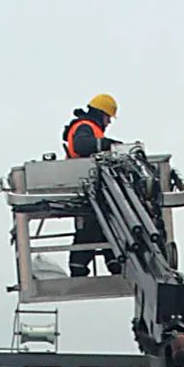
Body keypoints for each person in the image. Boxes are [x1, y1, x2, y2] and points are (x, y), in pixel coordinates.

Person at [62, 93, 121, 277]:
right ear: (100, 114)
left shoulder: (88, 127)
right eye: (108, 118)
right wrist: (107, 144)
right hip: (86, 188)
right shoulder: (84, 127)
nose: (109, 123)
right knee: (92, 228)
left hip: (92, 189)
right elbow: (81, 146)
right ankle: (81, 267)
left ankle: (115, 264)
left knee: (105, 227)